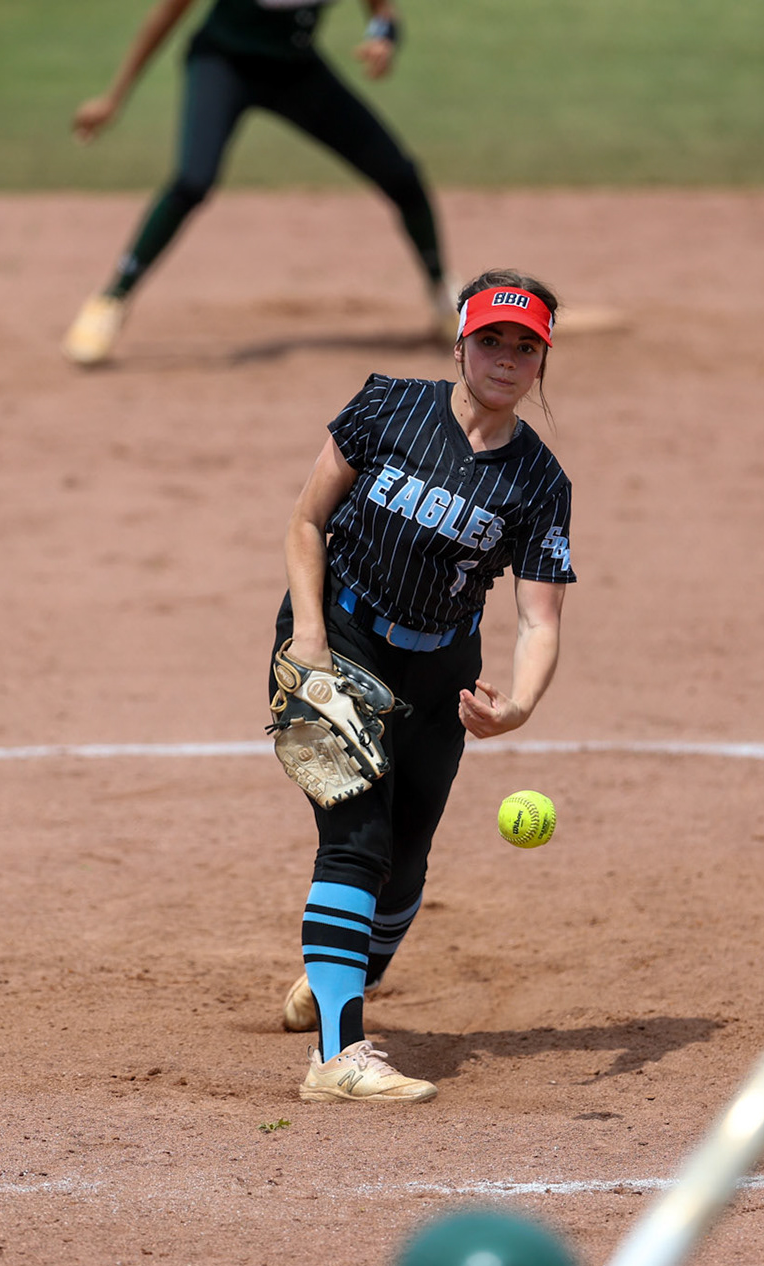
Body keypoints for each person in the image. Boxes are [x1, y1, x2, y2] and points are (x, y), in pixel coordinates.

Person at [272, 268, 577, 1103]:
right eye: (492, 340)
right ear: (461, 343)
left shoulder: (540, 484)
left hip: (442, 670)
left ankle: (331, 980)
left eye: (525, 347)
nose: (505, 359)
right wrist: (308, 640)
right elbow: (306, 521)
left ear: (542, 361)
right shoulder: (387, 407)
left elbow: (540, 621)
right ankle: (338, 1056)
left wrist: (516, 704)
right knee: (357, 842)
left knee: (404, 870)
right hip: (339, 637)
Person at [61, 0, 452, 366]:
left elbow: (382, 10)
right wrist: (114, 98)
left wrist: (382, 38)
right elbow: (167, 15)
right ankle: (111, 299)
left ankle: (441, 296)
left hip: (296, 73)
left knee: (400, 175)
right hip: (224, 64)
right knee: (192, 181)